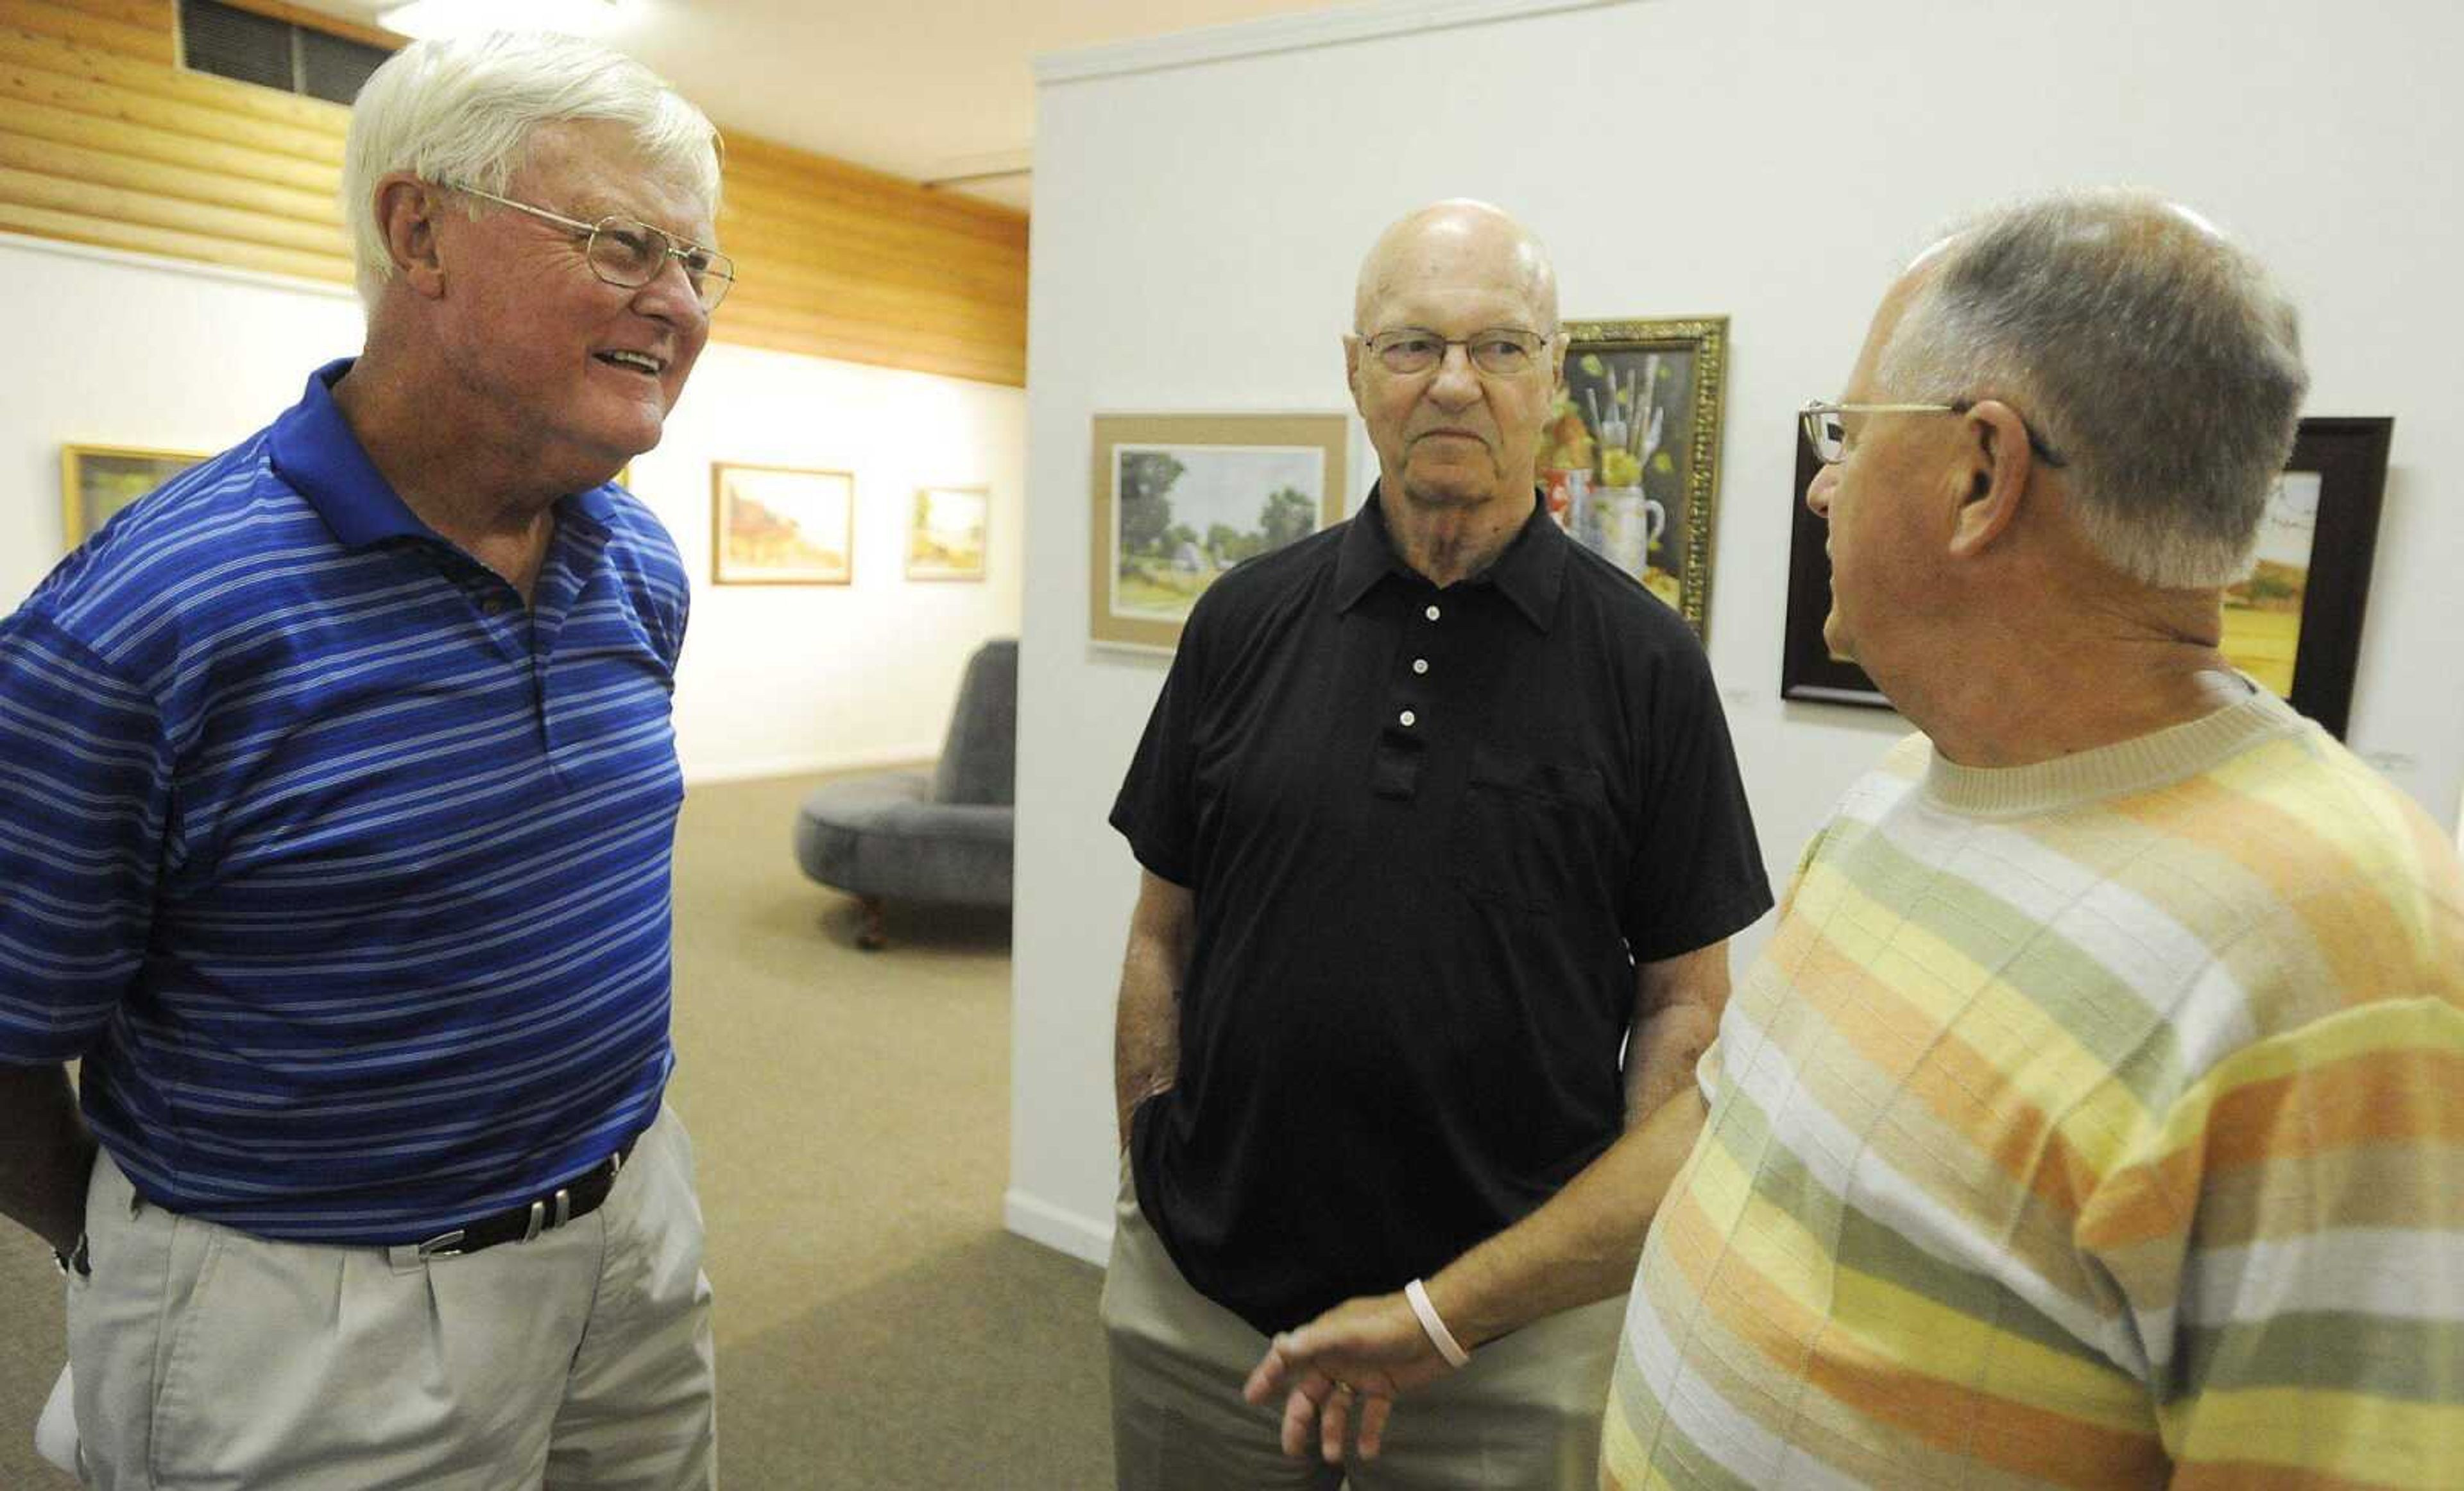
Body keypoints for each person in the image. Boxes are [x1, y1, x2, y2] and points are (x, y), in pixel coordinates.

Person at [1602, 191, 2464, 1488]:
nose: (1825, 483)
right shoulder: (1907, 793)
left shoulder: (2351, 948)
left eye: (1848, 433)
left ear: (1980, 474)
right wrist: (1447, 1310)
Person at [0, 31, 733, 1488]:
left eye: (700, 265)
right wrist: (146, 1245)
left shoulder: (634, 564)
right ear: (421, 233)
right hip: (309, 1321)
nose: (678, 303)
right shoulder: (149, 619)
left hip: (634, 1240)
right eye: (623, 244)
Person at [1104, 199, 1773, 1490]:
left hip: (1503, 1345)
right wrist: (1146, 1159)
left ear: (1554, 375)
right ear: (1354, 370)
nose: (1455, 381)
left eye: (1500, 347)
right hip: (1205, 1308)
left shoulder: (1647, 665)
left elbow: (1686, 1008)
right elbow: (1161, 931)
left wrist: (1542, 1285)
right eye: (1412, 345)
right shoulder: (1242, 621)